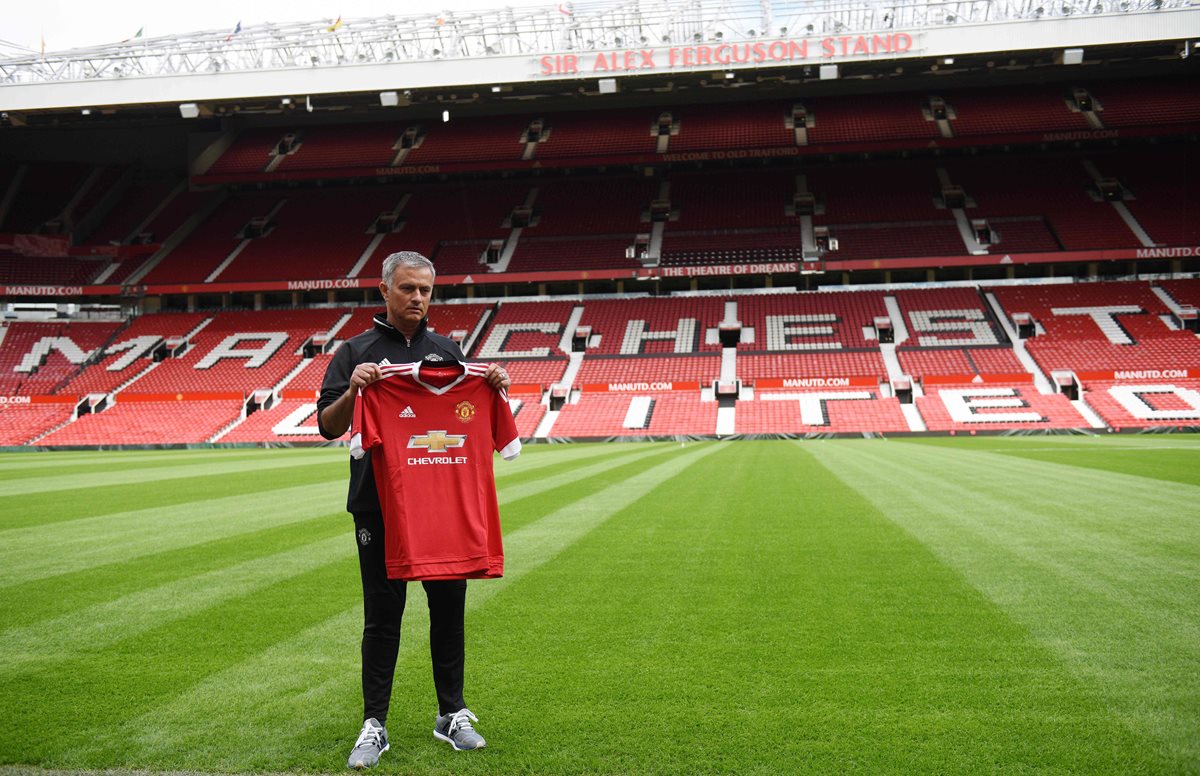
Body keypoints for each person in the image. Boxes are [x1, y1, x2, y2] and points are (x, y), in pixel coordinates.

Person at [317, 251, 510, 770]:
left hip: (439, 505)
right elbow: (330, 427)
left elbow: (472, 410)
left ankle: (453, 713)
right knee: (383, 616)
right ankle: (374, 723)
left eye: (425, 289)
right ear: (385, 290)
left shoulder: (448, 350)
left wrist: (493, 386)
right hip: (377, 506)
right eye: (407, 288)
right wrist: (355, 389)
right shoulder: (353, 351)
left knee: (448, 610)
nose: (418, 298)